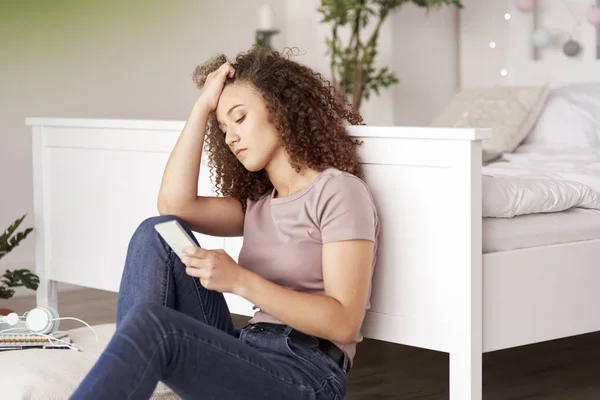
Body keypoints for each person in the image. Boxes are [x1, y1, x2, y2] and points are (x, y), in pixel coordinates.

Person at [70, 46, 380, 400]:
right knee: (155, 232)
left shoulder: (338, 191)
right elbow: (173, 204)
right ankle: (133, 375)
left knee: (156, 327)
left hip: (306, 370)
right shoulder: (259, 206)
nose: (230, 137)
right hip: (248, 349)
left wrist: (239, 280)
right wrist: (202, 108)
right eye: (223, 127)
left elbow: (343, 322)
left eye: (240, 118)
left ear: (281, 111)